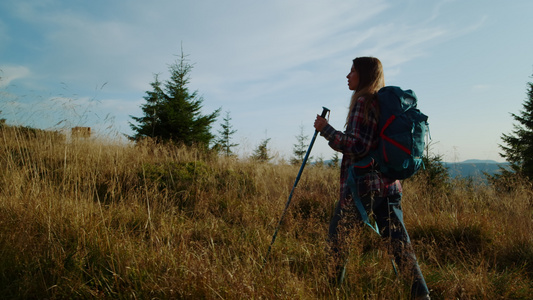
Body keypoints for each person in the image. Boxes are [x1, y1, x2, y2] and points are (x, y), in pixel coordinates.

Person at [314, 57, 430, 300]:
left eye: (352, 71)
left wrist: (326, 129)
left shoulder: (364, 102)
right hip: (390, 186)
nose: (348, 75)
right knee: (399, 245)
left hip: (363, 187)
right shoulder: (382, 103)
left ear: (363, 75)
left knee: (338, 242)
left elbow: (357, 145)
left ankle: (331, 293)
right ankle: (421, 295)